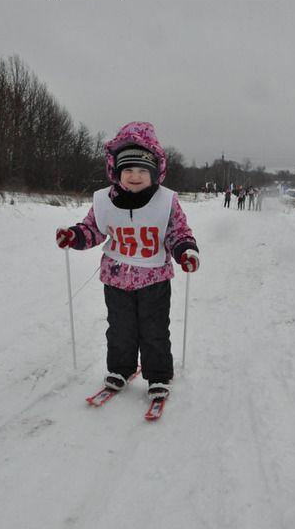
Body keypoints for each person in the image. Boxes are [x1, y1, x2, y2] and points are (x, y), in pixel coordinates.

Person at [56, 121, 199, 401]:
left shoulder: (166, 201)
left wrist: (185, 251)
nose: (134, 176)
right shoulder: (104, 201)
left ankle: (158, 375)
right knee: (120, 328)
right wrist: (73, 236)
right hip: (116, 278)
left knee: (154, 330)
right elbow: (92, 229)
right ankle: (120, 368)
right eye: (128, 170)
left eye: (142, 170)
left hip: (154, 280)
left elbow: (177, 231)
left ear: (155, 172)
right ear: (117, 172)